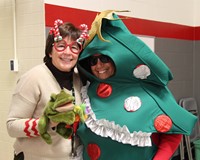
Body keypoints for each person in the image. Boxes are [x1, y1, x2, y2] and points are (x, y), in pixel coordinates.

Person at [77, 10, 197, 160]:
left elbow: (172, 133)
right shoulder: (87, 92)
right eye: (93, 61)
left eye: (104, 58)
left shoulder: (149, 89)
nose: (99, 65)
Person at [6, 19, 88, 160]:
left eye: (74, 47)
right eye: (61, 46)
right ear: (50, 51)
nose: (68, 52)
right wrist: (48, 122)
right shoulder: (33, 78)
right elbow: (12, 126)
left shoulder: (78, 79)